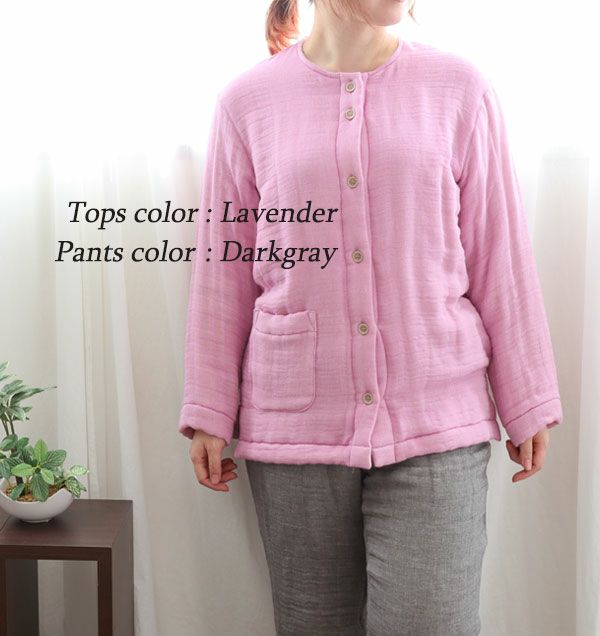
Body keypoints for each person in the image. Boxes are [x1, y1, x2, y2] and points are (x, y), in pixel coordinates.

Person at [178, 0, 564, 633]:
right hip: (294, 420)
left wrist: (527, 397)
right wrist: (209, 408)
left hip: (437, 415)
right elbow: (223, 268)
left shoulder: (460, 88)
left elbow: (500, 251)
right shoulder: (247, 101)